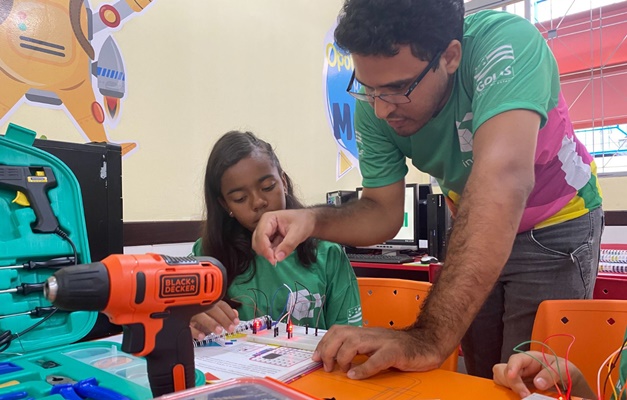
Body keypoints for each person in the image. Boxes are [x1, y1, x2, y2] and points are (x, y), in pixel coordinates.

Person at [251, 0, 604, 380]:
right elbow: (381, 212)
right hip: (474, 220)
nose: (381, 109)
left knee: (529, 379)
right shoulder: (375, 104)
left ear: (450, 56)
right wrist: (312, 218)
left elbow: (501, 182)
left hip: (555, 221)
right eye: (368, 88)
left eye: (398, 88)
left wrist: (429, 338)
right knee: (484, 376)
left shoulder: (505, 44)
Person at [190, 130, 362, 339]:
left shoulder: (327, 252)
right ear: (225, 205)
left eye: (268, 187)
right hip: (237, 370)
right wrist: (188, 319)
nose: (258, 202)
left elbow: (350, 336)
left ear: (284, 182)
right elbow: (183, 324)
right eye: (240, 198)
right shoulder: (206, 255)